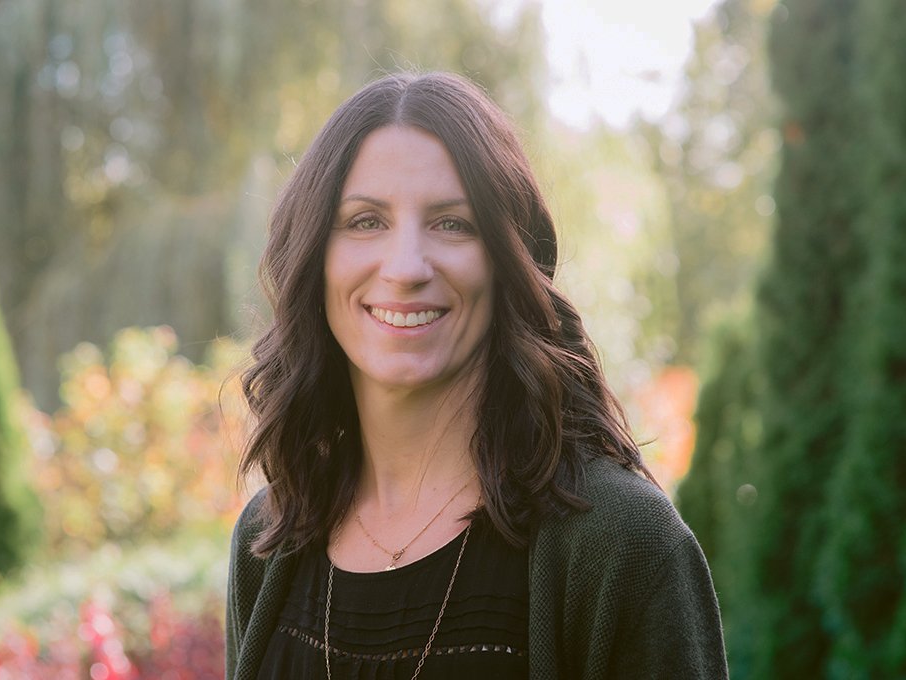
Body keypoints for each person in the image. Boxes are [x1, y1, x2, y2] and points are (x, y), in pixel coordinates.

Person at [225, 71, 727, 680]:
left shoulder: (622, 543)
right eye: (365, 221)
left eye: (452, 223)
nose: (406, 267)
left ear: (508, 260)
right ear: (313, 256)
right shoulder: (269, 537)